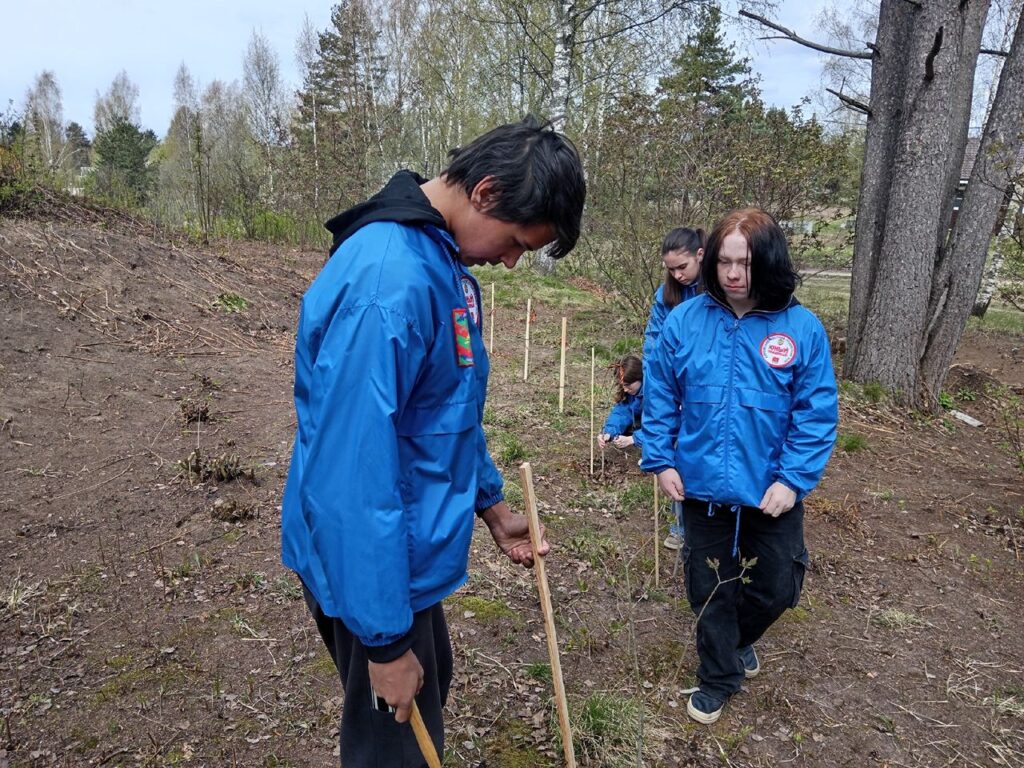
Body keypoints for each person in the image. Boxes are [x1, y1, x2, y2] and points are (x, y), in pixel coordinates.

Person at [280, 116, 586, 766]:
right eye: (516, 242)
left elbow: (443, 413)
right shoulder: (389, 285)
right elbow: (350, 475)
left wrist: (491, 505)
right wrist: (386, 644)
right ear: (484, 192)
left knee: (432, 678)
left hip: (400, 552)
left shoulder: (438, 264)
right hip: (371, 558)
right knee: (396, 749)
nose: (510, 261)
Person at [641, 208, 837, 725]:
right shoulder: (685, 321)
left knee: (776, 587)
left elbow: (815, 413)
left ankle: (735, 639)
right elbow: (659, 396)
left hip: (770, 488)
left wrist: (792, 480)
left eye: (744, 264)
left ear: (768, 261)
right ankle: (718, 676)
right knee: (708, 589)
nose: (732, 274)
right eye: (724, 262)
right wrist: (660, 460)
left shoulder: (801, 328)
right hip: (700, 485)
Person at [641, 226, 706, 363]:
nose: (677, 275)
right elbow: (653, 339)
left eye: (682, 267)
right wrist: (649, 371)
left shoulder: (717, 291)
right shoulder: (664, 294)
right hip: (672, 368)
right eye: (671, 269)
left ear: (700, 255)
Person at [597, 355, 644, 450]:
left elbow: (662, 426)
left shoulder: (655, 393)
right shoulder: (632, 393)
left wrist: (633, 439)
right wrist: (609, 432)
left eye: (628, 385)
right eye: (622, 385)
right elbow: (622, 412)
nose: (625, 389)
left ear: (639, 378)